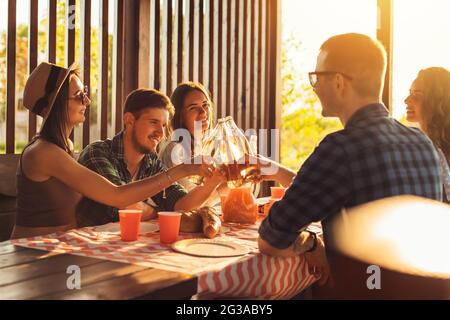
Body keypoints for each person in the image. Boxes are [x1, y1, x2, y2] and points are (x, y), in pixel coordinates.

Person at [255, 33, 443, 285]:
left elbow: (271, 237)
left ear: (338, 82)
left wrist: (311, 243)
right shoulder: (424, 143)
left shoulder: (340, 148)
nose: (314, 86)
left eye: (316, 77)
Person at [12, 62, 216, 239]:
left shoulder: (64, 147)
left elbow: (177, 202)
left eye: (85, 93)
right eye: (78, 96)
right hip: (32, 251)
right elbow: (117, 196)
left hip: (64, 246)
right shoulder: (43, 153)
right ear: (56, 105)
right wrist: (182, 171)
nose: (87, 101)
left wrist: (216, 178)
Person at [76, 88, 226, 226]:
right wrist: (182, 170)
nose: (160, 133)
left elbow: (181, 205)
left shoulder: (150, 162)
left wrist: (214, 181)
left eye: (163, 125)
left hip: (123, 247)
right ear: (129, 120)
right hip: (82, 247)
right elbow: (122, 200)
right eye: (153, 122)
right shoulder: (97, 153)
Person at [159, 82, 226, 207]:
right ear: (180, 116)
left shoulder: (205, 145)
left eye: (205, 105)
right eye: (193, 108)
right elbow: (189, 202)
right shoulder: (174, 149)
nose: (203, 112)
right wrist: (227, 185)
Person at [404, 67, 450, 203]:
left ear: (436, 100)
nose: (407, 100)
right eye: (409, 93)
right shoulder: (421, 143)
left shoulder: (431, 148)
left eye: (416, 95)